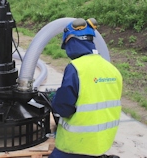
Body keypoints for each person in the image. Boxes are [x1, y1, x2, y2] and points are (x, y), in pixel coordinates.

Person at [49, 18, 123, 158]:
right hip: (101, 143)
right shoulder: (113, 70)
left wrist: (56, 99)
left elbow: (63, 108)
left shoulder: (76, 68)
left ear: (71, 41)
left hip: (76, 146)